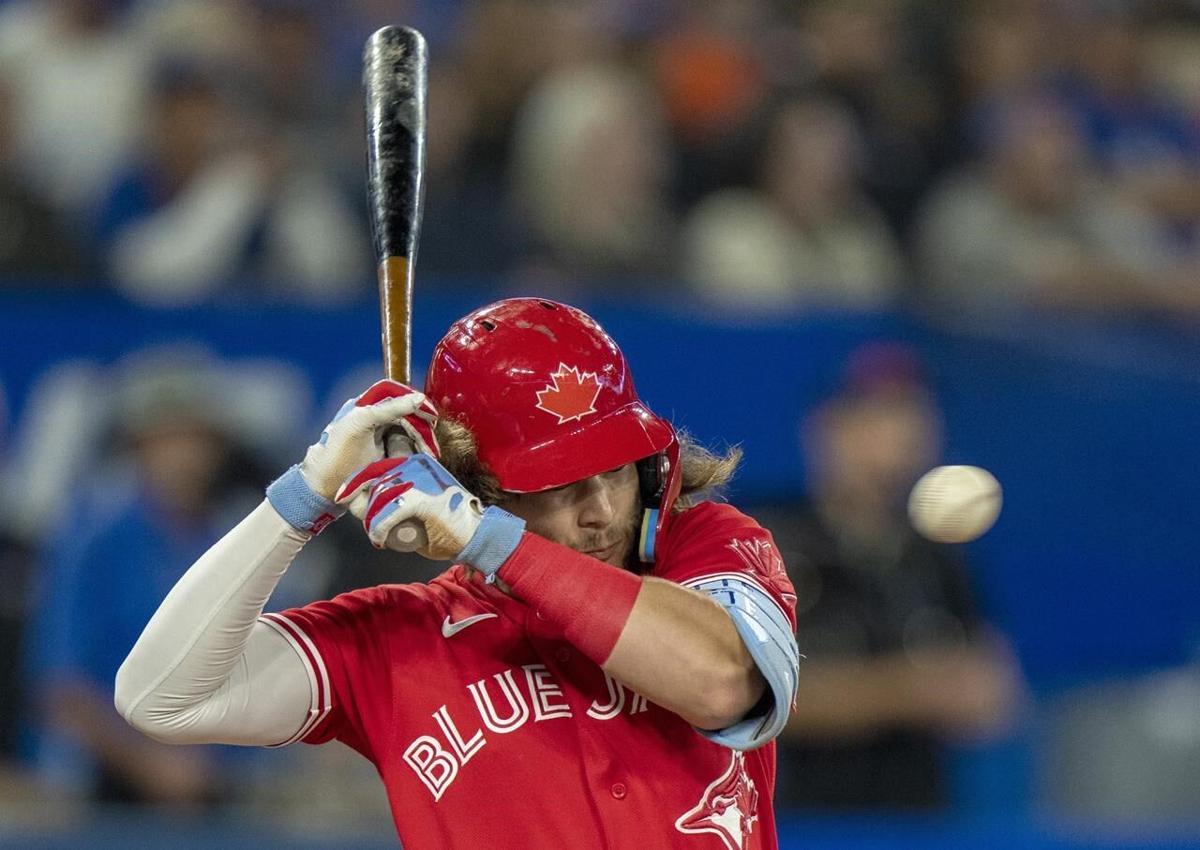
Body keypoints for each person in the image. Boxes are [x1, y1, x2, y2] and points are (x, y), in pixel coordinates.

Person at [116, 298, 800, 849]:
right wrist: (303, 497)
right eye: (559, 485)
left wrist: (487, 537)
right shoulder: (398, 635)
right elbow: (161, 697)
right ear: (473, 481)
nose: (600, 513)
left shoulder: (709, 547)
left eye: (615, 471)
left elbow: (722, 684)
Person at [751, 342, 1020, 810]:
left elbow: (992, 694)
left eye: (910, 415)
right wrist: (907, 691)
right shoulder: (762, 539)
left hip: (913, 821)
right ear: (826, 428)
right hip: (794, 820)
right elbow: (744, 694)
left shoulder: (936, 553)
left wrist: (968, 690)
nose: (897, 436)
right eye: (874, 417)